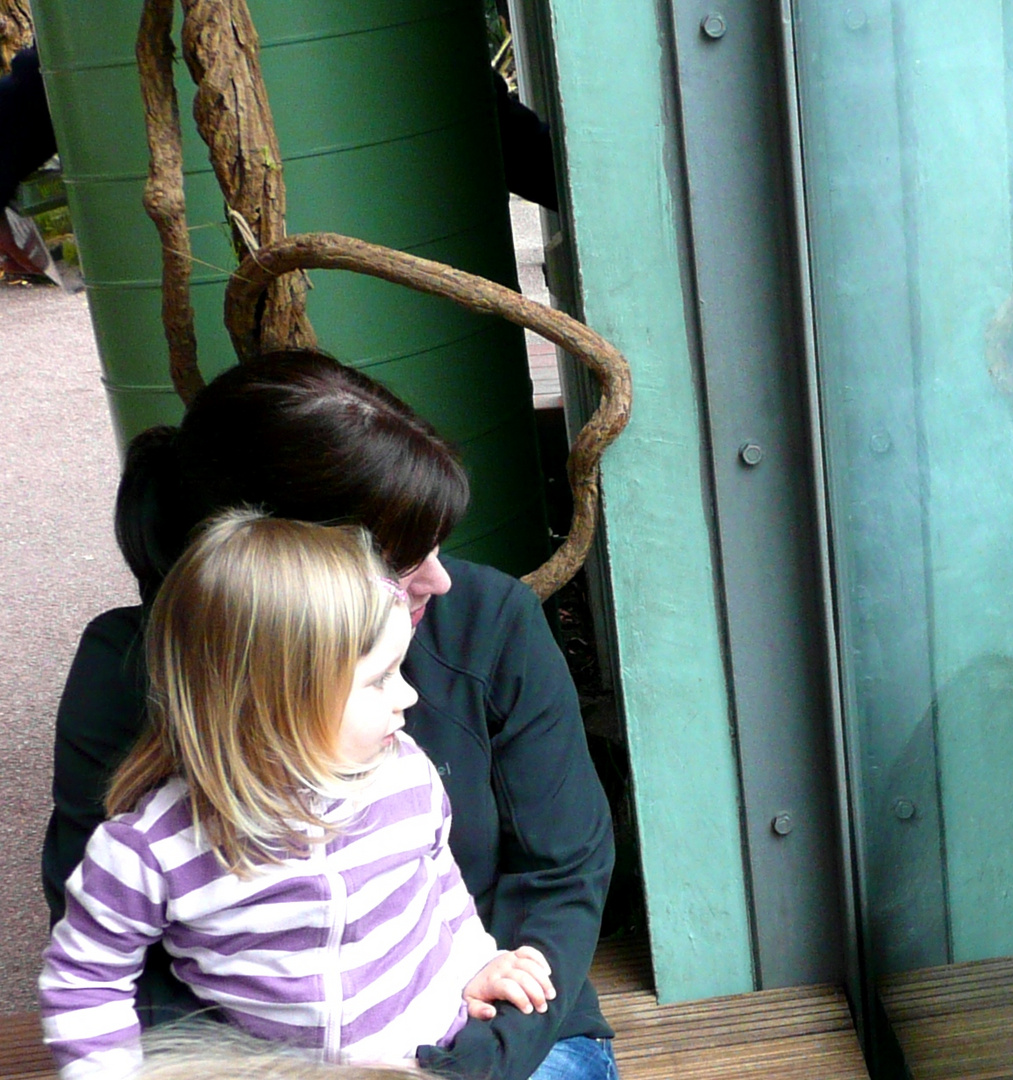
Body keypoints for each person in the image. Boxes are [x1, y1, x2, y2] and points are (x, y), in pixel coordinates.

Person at [43, 350, 617, 1080]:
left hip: (492, 1034)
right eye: (400, 554)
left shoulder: (485, 622)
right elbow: (104, 955)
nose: (439, 578)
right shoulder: (129, 673)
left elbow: (563, 872)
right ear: (270, 571)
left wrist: (465, 1056)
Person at [42, 512, 559, 1078]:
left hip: (437, 1055)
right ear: (274, 699)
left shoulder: (406, 777)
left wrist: (475, 962)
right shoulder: (153, 850)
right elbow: (86, 977)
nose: (408, 695)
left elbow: (438, 878)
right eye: (379, 678)